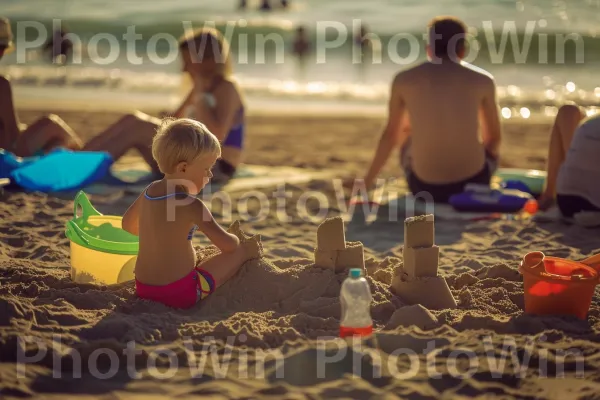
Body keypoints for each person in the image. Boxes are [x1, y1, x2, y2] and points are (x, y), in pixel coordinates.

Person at [345, 16, 502, 203]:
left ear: (430, 48)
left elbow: (390, 137)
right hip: (475, 182)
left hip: (425, 187)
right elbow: (494, 139)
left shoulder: (404, 79)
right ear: (463, 49)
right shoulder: (483, 80)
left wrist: (366, 184)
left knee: (404, 129)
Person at [84, 27, 246, 181]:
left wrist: (200, 97)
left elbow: (217, 135)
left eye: (188, 62)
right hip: (189, 158)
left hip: (214, 168)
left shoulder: (226, 87)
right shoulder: (200, 87)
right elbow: (174, 122)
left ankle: (86, 169)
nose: (184, 69)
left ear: (208, 60)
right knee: (132, 119)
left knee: (139, 126)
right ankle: (81, 157)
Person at [122, 118, 247, 309]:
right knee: (239, 252)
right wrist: (237, 240)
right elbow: (228, 245)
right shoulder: (192, 205)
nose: (210, 175)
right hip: (179, 294)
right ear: (183, 168)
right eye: (207, 169)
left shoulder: (149, 191)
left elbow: (128, 226)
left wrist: (159, 236)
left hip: (143, 289)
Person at [0, 17, 83, 156]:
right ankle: (85, 165)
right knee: (51, 124)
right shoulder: (2, 85)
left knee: (54, 144)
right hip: (6, 157)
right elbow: (13, 135)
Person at [538, 105, 600, 217]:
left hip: (567, 201)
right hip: (594, 204)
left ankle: (548, 196)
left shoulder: (589, 124)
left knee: (567, 111)